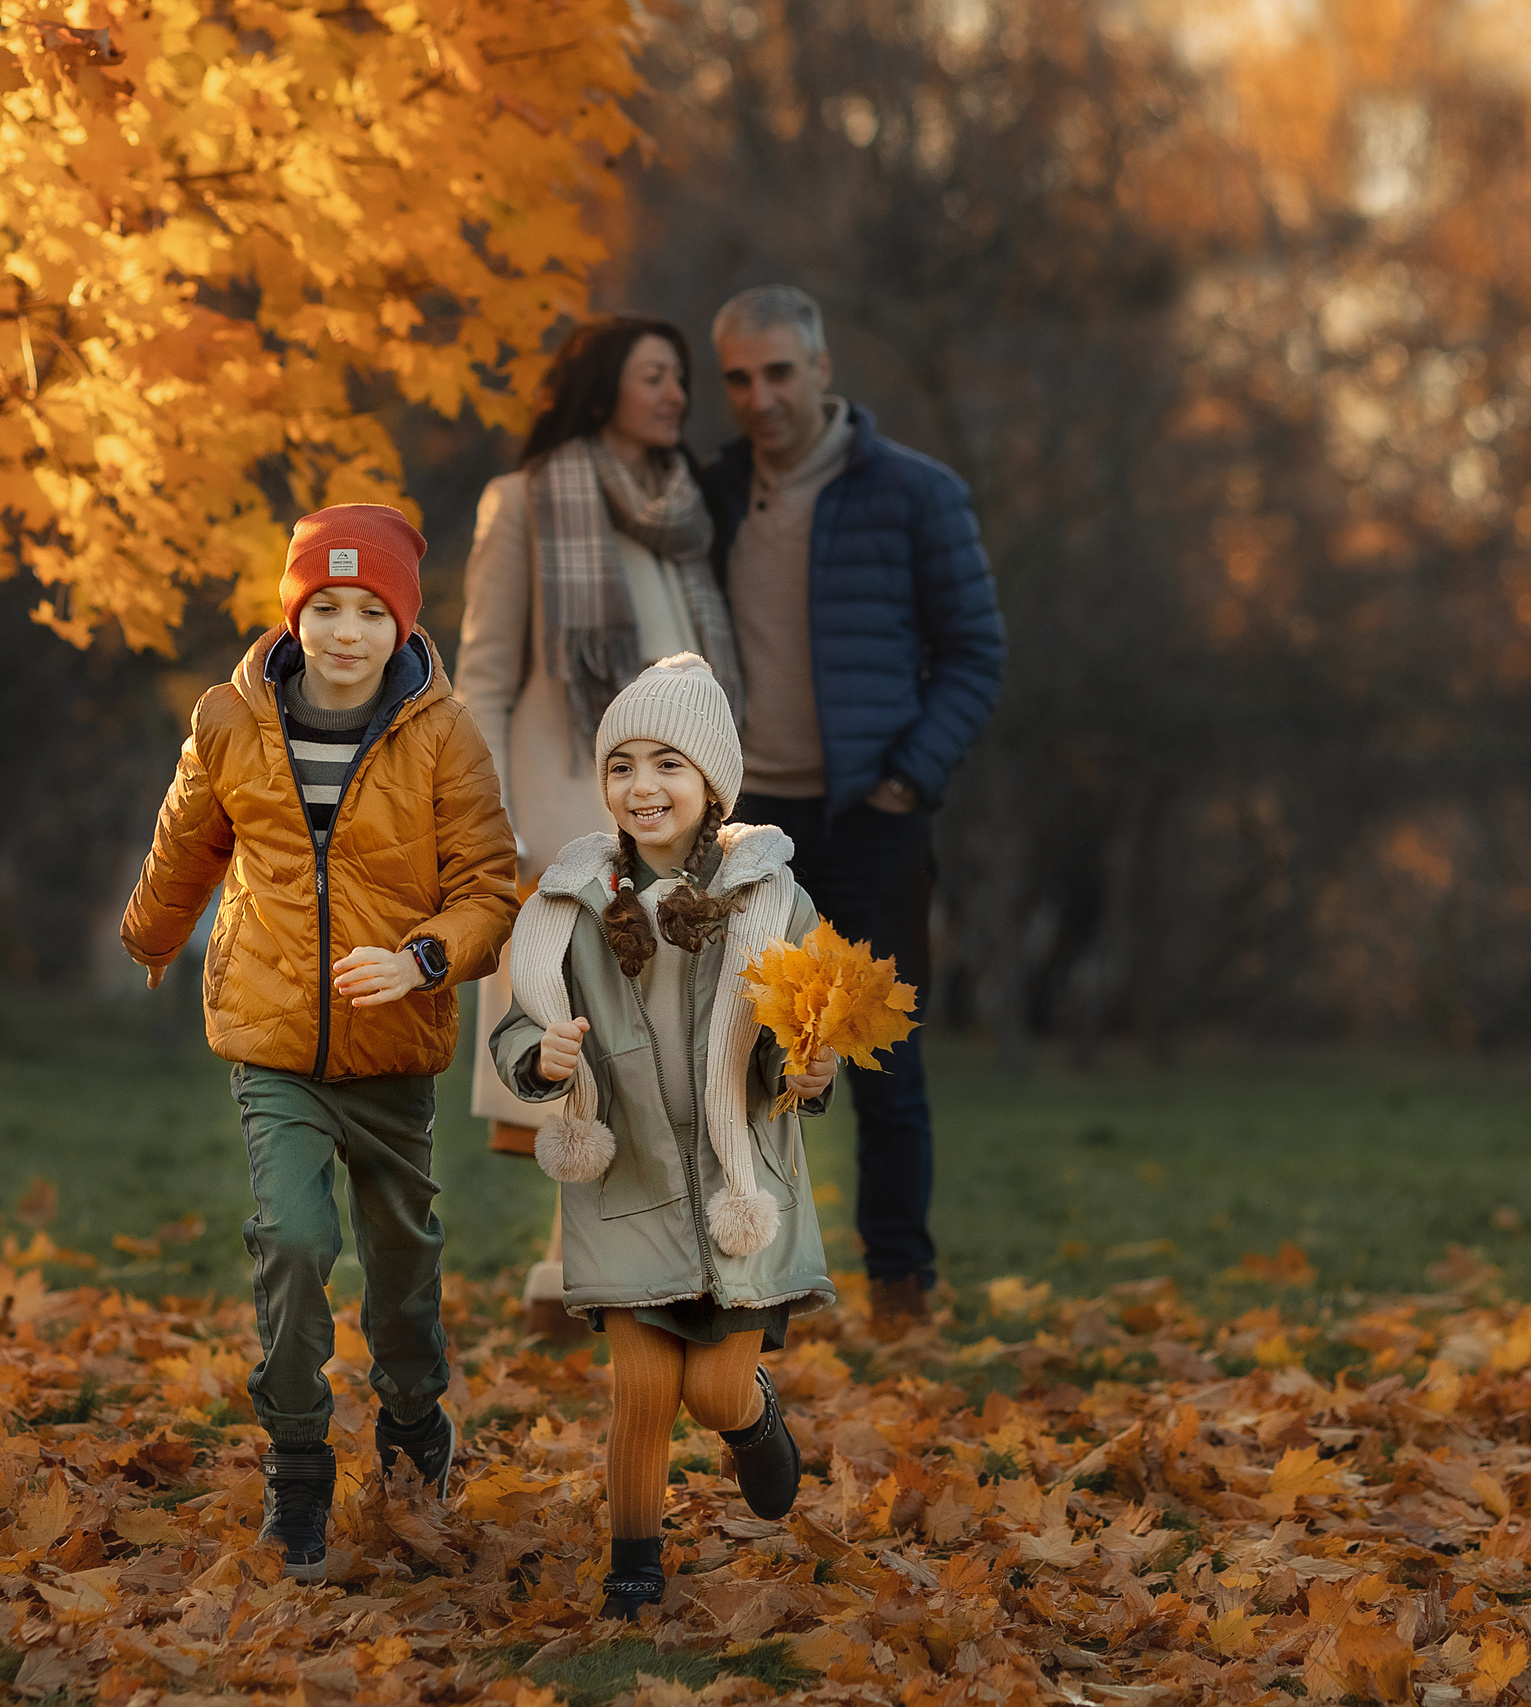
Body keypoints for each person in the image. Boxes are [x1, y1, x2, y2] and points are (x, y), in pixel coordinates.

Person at [122, 504, 518, 1579]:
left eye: (369, 611)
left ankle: (411, 1430)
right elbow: (187, 843)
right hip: (273, 1039)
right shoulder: (232, 720)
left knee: (400, 1265)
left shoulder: (443, 734)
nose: (346, 632)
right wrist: (150, 932)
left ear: (401, 623)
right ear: (295, 615)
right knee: (293, 1243)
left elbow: (491, 886)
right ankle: (297, 1468)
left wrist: (424, 959)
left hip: (394, 1049)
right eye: (326, 608)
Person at [489, 655, 838, 1621]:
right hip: (626, 1178)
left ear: (712, 783)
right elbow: (520, 1022)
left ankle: (754, 1417)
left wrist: (806, 1070)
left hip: (737, 1188)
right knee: (644, 1384)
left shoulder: (770, 899)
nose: (643, 786)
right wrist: (542, 1057)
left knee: (712, 1389)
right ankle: (633, 1565)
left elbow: (802, 1028)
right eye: (622, 766)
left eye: (668, 765)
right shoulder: (569, 907)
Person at [704, 285, 1006, 1335]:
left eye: (779, 372)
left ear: (822, 369)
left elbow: (975, 652)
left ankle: (900, 1290)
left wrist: (905, 782)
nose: (760, 397)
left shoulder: (914, 494)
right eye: (738, 378)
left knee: (885, 1063)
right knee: (734, 1055)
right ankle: (753, 1285)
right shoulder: (711, 492)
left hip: (871, 819)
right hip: (749, 825)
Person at [455, 317, 744, 1338]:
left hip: (685, 817)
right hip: (566, 813)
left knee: (679, 1030)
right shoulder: (526, 502)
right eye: (654, 376)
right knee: (585, 1033)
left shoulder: (687, 513)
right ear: (601, 387)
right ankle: (570, 1258)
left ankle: (667, 1252)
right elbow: (483, 680)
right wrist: (495, 823)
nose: (675, 394)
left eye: (679, 378)